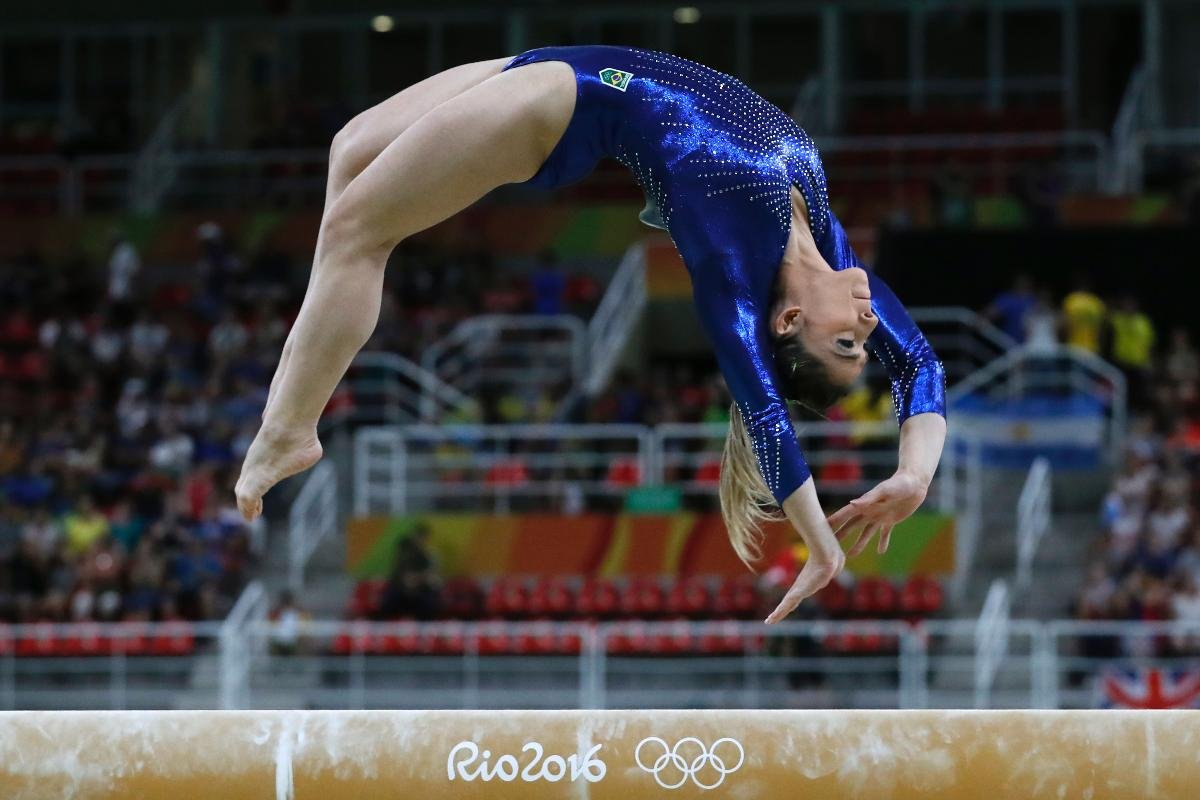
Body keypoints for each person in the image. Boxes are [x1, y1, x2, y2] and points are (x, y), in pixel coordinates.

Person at [234, 46, 947, 622]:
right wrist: (914, 474)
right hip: (550, 63)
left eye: (846, 344)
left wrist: (820, 545)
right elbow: (918, 363)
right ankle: (304, 365)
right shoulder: (825, 245)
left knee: (358, 232)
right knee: (349, 152)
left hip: (555, 110)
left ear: (789, 322)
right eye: (859, 345)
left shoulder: (732, 266)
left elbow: (764, 412)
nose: (865, 325)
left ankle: (292, 425)